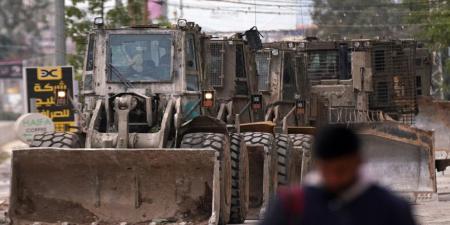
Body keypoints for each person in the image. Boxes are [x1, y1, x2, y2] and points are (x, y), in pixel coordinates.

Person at [260, 125, 417, 225]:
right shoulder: (289, 206)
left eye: (341, 170)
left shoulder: (391, 209)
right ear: (317, 164)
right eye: (327, 171)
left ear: (358, 161)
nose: (334, 178)